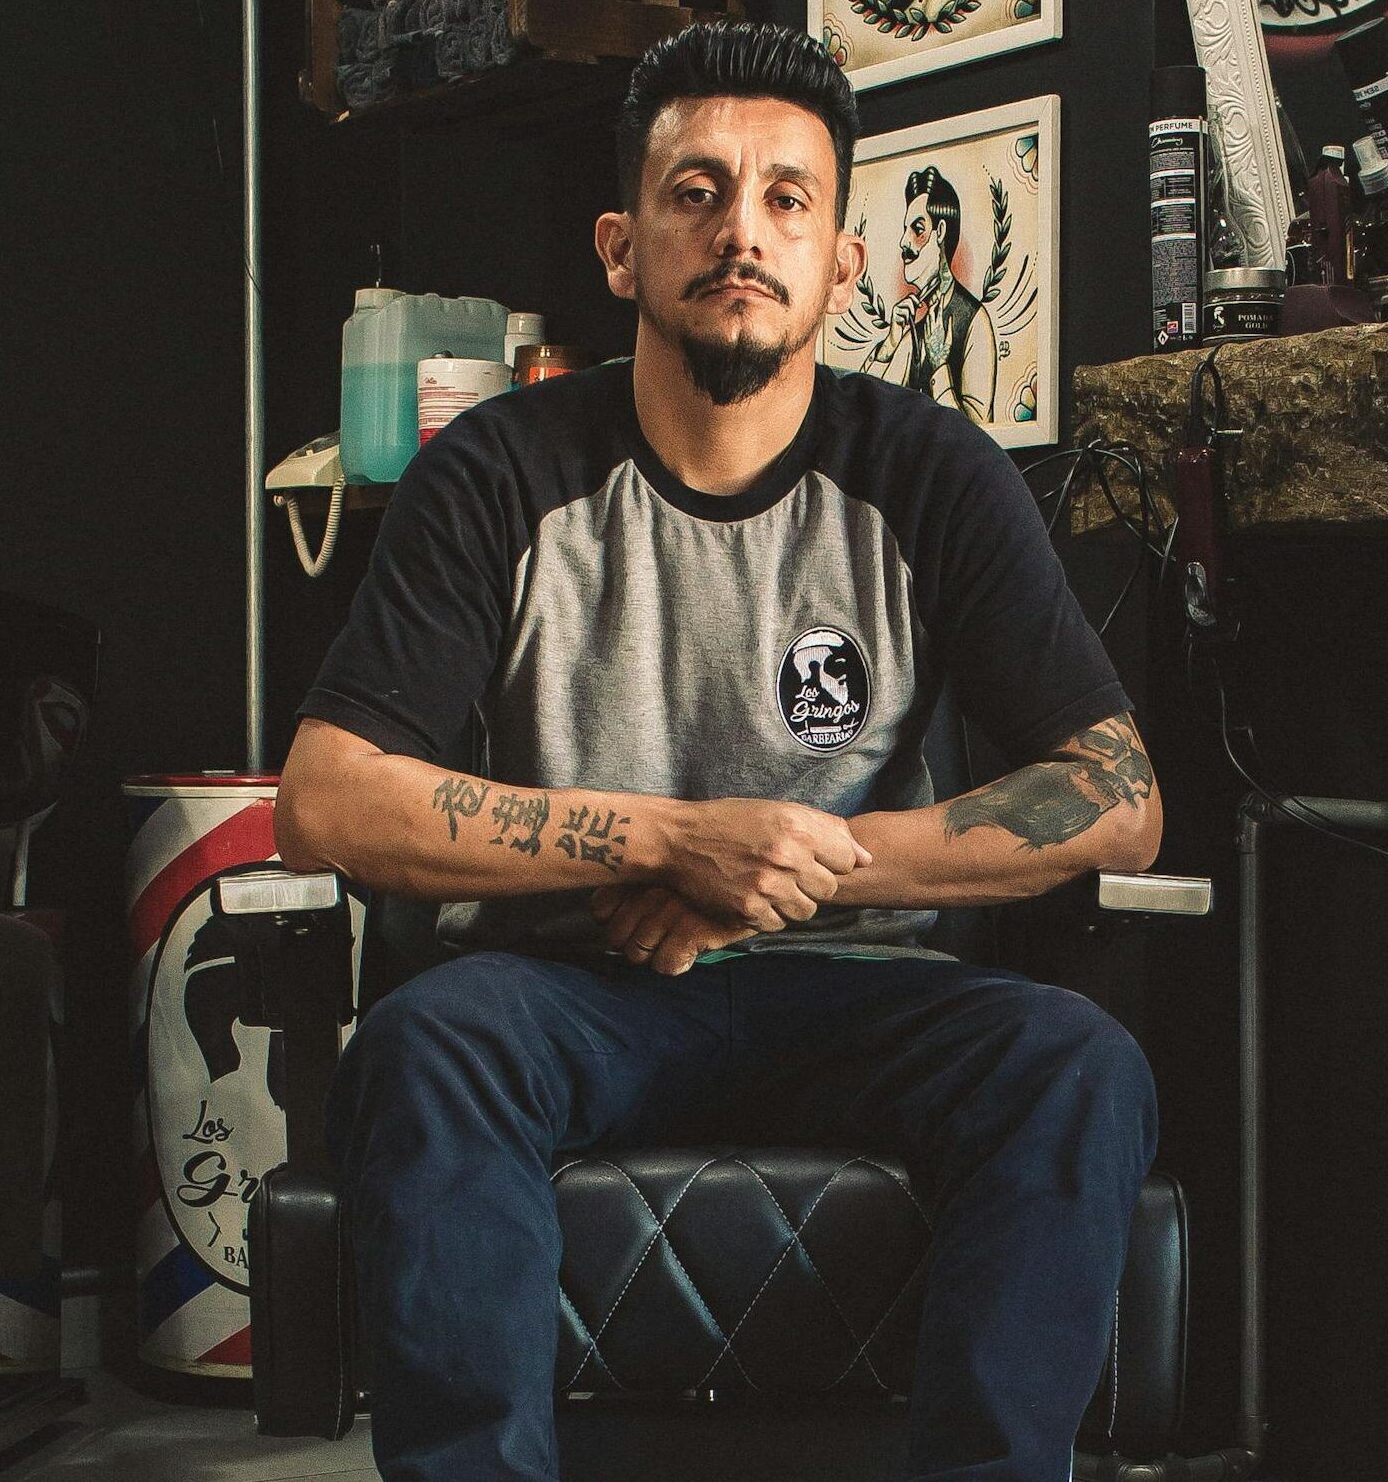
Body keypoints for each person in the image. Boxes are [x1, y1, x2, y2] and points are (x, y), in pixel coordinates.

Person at [276, 19, 1162, 1482]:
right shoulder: (491, 474)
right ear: (622, 247)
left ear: (843, 262)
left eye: (785, 200)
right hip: (566, 994)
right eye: (695, 193)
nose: (739, 232)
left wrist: (792, 869)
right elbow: (326, 796)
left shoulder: (929, 472)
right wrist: (662, 837)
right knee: (427, 1046)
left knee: (1077, 1062)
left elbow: (1118, 794)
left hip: (856, 989)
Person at [864, 166, 999, 425]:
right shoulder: (911, 328)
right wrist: (889, 345)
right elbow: (865, 420)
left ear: (940, 233)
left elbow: (980, 437)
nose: (904, 242)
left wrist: (939, 365)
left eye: (917, 229)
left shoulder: (974, 320)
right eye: (905, 229)